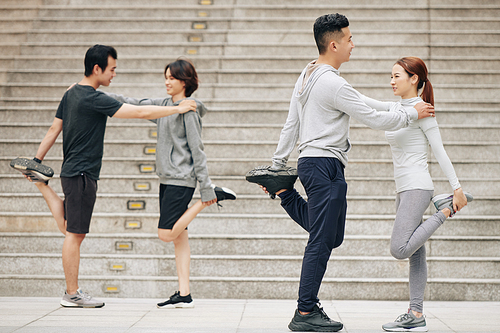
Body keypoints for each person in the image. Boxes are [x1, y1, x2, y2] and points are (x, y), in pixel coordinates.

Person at [245, 14, 436, 332]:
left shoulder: (308, 73)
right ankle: (305, 312)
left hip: (318, 164)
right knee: (321, 239)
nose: (353, 44)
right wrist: (410, 114)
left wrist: (279, 165)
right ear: (333, 44)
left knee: (332, 236)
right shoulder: (333, 82)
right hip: (324, 166)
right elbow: (374, 118)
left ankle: (282, 190)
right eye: (349, 38)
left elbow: (305, 118)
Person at [10, 44, 200, 308]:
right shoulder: (94, 98)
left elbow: (55, 128)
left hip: (70, 171)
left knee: (68, 227)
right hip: (84, 173)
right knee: (74, 233)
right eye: (111, 69)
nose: (113, 74)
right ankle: (72, 294)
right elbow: (140, 112)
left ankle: (42, 183)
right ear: (97, 68)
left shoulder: (71, 93)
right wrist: (177, 109)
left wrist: (37, 160)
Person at [105, 58, 237, 309]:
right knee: (180, 239)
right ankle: (184, 294)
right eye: (165, 77)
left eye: (172, 78)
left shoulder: (189, 110)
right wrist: (95, 92)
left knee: (166, 234)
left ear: (185, 82)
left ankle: (211, 199)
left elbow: (197, 150)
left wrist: (206, 187)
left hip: (181, 180)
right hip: (167, 178)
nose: (167, 82)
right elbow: (135, 103)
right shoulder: (165, 106)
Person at [357, 56, 472, 332]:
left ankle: (445, 209)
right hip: (404, 189)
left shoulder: (423, 110)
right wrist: (336, 83)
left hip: (418, 187)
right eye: (391, 76)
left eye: (397, 75)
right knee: (416, 254)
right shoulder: (399, 109)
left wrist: (457, 189)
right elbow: (366, 102)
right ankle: (416, 314)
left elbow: (440, 152)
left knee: (399, 248)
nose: (391, 81)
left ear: (414, 79)